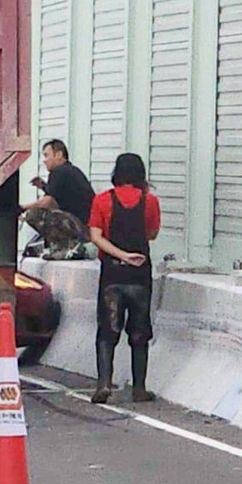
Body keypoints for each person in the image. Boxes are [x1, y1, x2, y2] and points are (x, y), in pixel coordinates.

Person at [87, 153, 161, 404]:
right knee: (140, 333)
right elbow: (152, 234)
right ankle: (139, 388)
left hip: (112, 276)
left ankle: (104, 383)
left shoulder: (101, 200)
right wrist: (132, 256)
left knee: (107, 332)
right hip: (139, 276)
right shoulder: (150, 201)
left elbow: (95, 236)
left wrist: (120, 255)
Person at [21, 139, 95, 258]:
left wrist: (22, 209)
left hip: (81, 228)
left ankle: (66, 247)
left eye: (46, 155)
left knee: (34, 215)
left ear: (59, 154)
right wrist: (43, 186)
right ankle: (65, 247)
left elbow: (48, 202)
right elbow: (60, 198)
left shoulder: (59, 172)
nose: (44, 160)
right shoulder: (70, 171)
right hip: (86, 227)